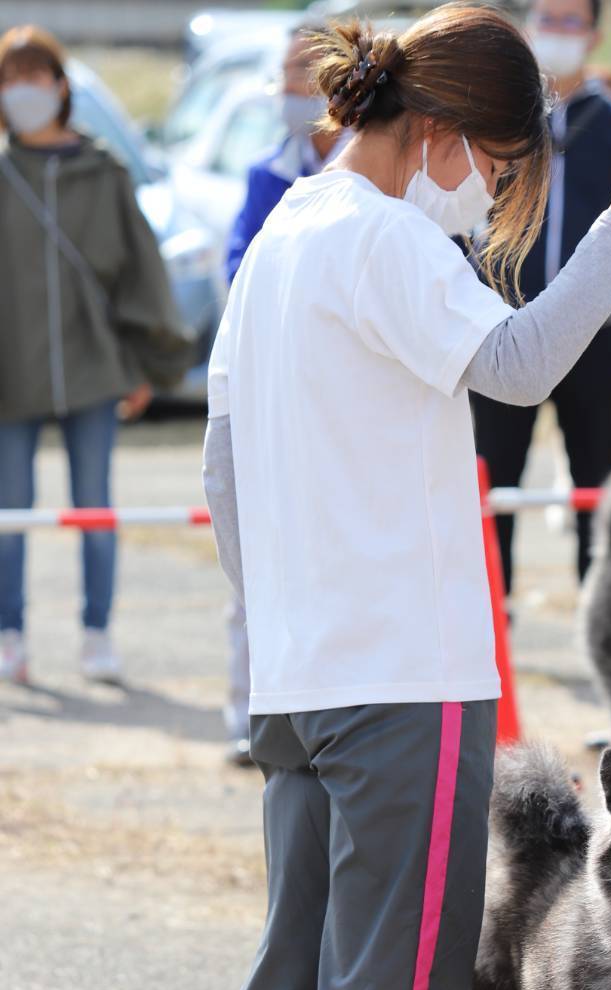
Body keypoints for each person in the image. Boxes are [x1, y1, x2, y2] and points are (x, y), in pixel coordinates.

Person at [178, 6, 611, 990]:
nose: (497, 195)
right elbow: (521, 365)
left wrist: (273, 617)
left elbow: (222, 464)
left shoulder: (287, 233)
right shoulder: (385, 238)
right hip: (402, 669)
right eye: (504, 167)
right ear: (454, 137)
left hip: (300, 664)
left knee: (295, 976)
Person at [0, 25, 194, 686]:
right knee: (10, 512)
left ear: (59, 86)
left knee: (96, 507)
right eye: (9, 77)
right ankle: (9, 635)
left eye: (34, 75)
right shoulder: (2, 175)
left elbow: (141, 274)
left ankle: (97, 631)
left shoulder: (105, 170)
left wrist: (147, 365)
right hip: (11, 373)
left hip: (95, 367)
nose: (22, 90)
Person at [471, 0, 611, 591]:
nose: (557, 32)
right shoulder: (497, 114)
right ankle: (495, 608)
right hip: (500, 326)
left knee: (595, 477)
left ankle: (599, 610)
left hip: (593, 333)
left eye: (572, 20)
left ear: (594, 35)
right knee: (493, 474)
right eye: (548, 18)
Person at [222, 28, 350, 766]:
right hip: (271, 379)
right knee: (256, 555)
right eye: (284, 75)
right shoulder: (264, 172)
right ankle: (253, 712)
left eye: (305, 72)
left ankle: (326, 712)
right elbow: (240, 261)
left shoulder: (369, 170)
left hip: (335, 392)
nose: (292, 88)